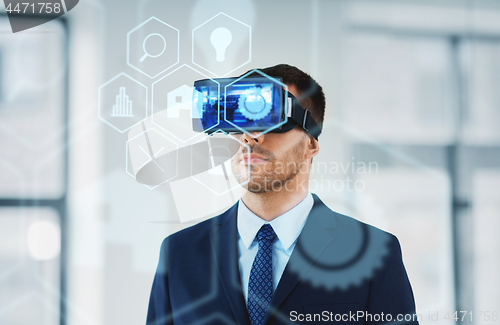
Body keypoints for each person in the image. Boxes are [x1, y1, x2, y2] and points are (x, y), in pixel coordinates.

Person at [146, 64, 419, 325]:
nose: (250, 137)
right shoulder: (179, 255)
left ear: (311, 144)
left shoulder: (373, 255)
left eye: (270, 119)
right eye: (238, 119)